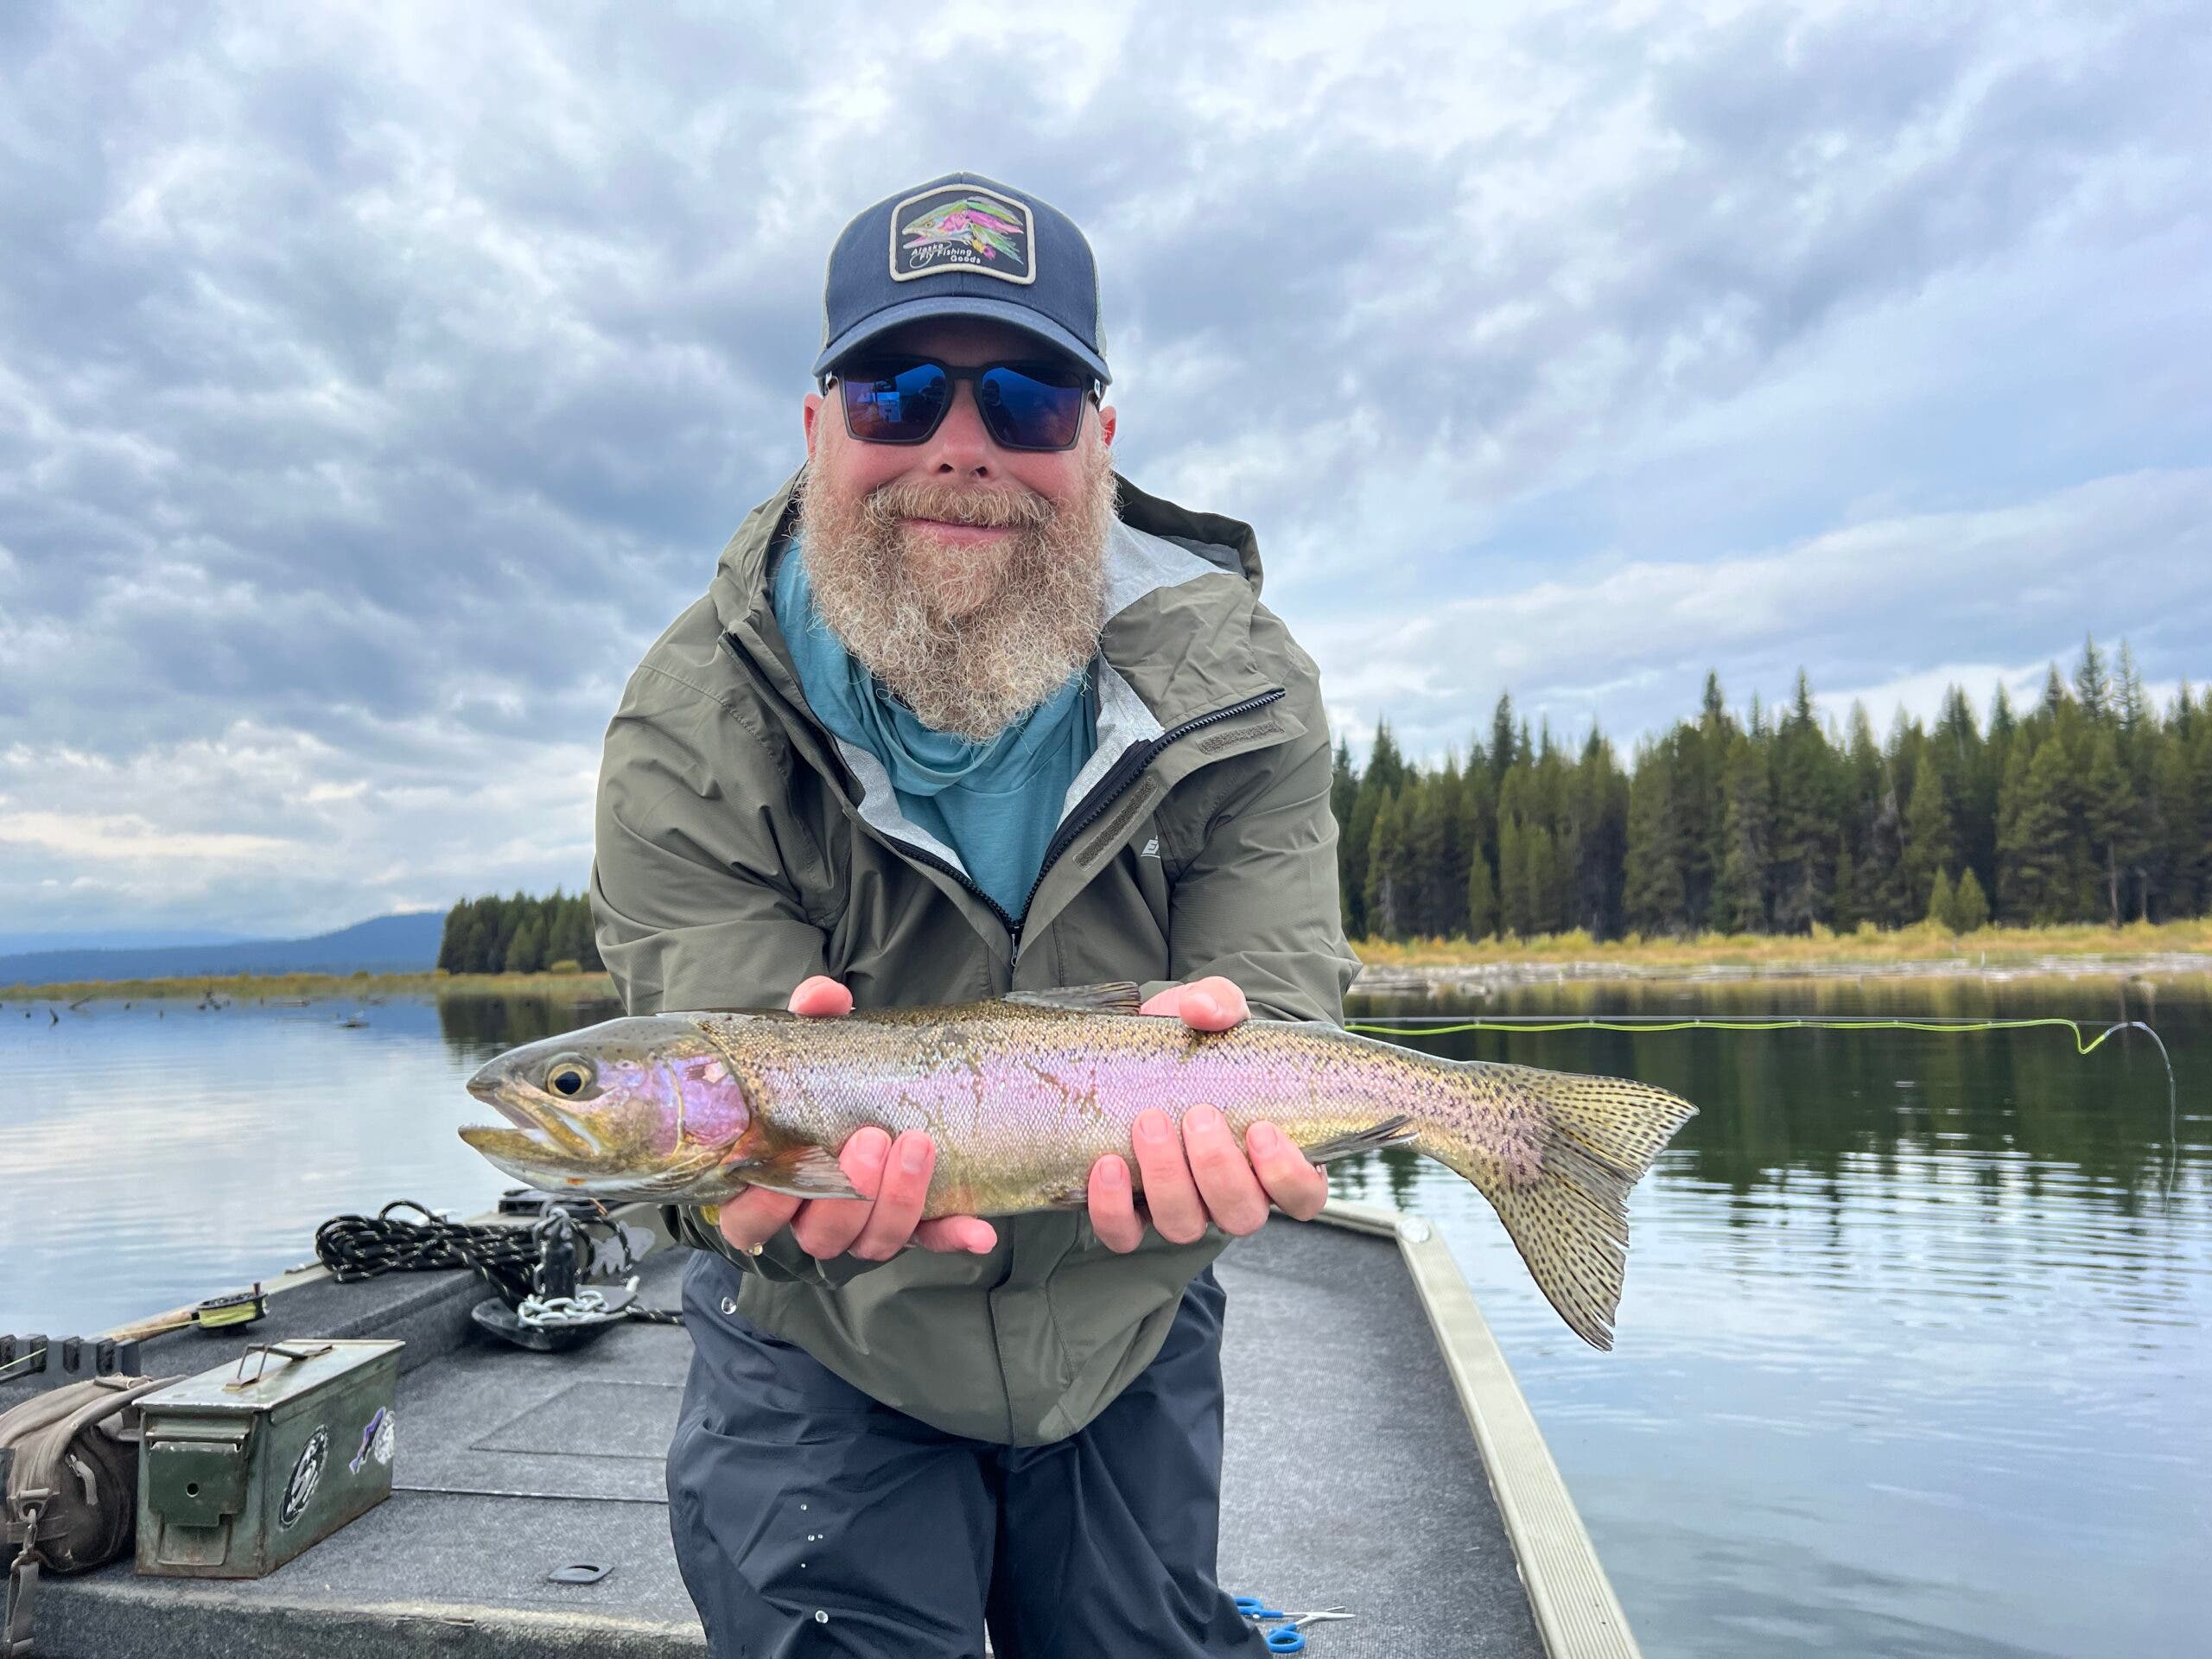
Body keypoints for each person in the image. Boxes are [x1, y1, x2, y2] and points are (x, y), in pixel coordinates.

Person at [589, 171, 1357, 1657]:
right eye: (895, 393)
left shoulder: (1246, 688)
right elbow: (703, 1134)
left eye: (1026, 399)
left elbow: (1278, 1010)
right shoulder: (691, 727)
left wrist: (1249, 1068)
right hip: (828, 1328)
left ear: (1099, 441)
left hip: (1130, 1309)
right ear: (818, 426)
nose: (960, 445)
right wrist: (729, 1192)